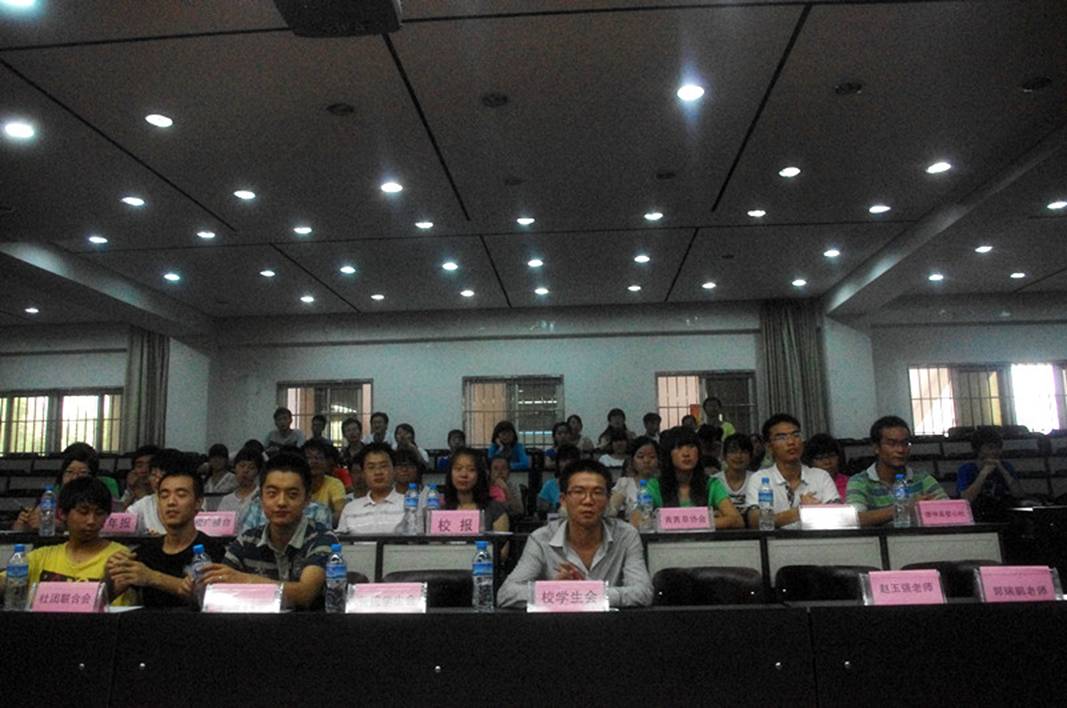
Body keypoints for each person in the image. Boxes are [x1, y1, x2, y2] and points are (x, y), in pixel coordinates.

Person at [497, 460, 653, 608]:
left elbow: (643, 592)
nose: (588, 501)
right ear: (563, 500)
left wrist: (585, 591)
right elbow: (506, 594)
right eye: (579, 492)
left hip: (610, 624)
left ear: (608, 499)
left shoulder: (626, 535)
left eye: (597, 492)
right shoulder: (541, 539)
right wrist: (555, 591)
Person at [201, 452, 338, 610]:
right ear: (261, 498)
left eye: (292, 495)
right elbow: (219, 588)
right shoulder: (247, 540)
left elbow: (305, 594)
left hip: (310, 624)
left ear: (307, 499)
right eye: (272, 494)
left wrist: (242, 579)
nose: (281, 502)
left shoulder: (322, 539)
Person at [107, 463, 226, 607]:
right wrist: (110, 573)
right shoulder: (146, 551)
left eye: (181, 495)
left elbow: (211, 599)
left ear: (198, 502)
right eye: (164, 496)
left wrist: (152, 577)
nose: (171, 502)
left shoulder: (213, 550)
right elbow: (105, 598)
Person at [1, 477, 134, 606]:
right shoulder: (42, 557)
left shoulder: (119, 556)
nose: (91, 521)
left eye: (99, 513)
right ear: (62, 514)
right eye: (83, 512)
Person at [846, 415, 948, 527]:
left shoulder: (922, 479)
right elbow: (855, 519)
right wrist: (905, 508)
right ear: (876, 448)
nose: (900, 450)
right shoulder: (859, 482)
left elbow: (948, 510)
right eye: (892, 444)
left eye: (905, 444)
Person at [744, 414, 840, 529]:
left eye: (796, 435)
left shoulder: (821, 476)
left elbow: (838, 516)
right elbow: (754, 521)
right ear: (769, 446)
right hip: (773, 540)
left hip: (815, 539)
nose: (791, 442)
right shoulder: (759, 479)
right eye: (782, 437)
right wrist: (800, 511)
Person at [648, 428, 743, 529]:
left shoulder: (711, 484)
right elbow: (639, 521)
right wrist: (708, 519)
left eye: (691, 446)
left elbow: (737, 520)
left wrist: (680, 523)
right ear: (668, 454)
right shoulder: (655, 486)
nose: (686, 454)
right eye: (679, 447)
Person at [13, 445, 119, 532]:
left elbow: (110, 524)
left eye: (82, 473)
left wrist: (60, 526)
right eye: (69, 472)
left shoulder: (102, 493)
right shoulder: (53, 494)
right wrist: (25, 524)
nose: (75, 478)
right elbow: (34, 523)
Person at [336, 443, 405, 534]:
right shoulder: (351, 508)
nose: (378, 472)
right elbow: (342, 541)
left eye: (383, 466)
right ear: (363, 473)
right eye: (371, 467)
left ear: (394, 470)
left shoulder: (408, 505)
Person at [442, 448, 510, 533]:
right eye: (458, 469)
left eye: (471, 469)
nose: (463, 474)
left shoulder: (495, 510)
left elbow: (501, 541)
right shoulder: (441, 509)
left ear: (480, 474)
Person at [130, 448, 191, 535]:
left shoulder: (192, 501)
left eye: (162, 476)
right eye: (153, 475)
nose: (157, 481)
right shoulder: (143, 504)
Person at [957, 428, 1023, 504]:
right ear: (978, 450)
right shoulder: (966, 469)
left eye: (998, 447)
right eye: (990, 447)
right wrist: (983, 473)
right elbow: (966, 499)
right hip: (975, 510)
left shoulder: (1006, 466)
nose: (996, 451)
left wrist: (1003, 470)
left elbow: (1019, 494)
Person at [608, 436, 660, 521]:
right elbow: (611, 511)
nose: (646, 461)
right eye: (641, 457)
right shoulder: (625, 483)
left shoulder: (665, 483)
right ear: (632, 461)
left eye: (652, 457)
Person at [302, 439, 347, 527]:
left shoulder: (335, 484)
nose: (314, 462)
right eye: (309, 458)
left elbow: (341, 513)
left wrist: (317, 525)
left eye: (318, 458)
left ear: (326, 462)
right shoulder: (296, 484)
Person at [802, 433, 851, 501]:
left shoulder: (851, 483)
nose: (827, 462)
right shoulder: (804, 484)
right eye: (820, 458)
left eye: (832, 456)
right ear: (810, 462)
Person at [713, 433, 753, 512]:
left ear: (750, 456)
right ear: (724, 456)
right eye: (733, 452)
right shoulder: (714, 481)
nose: (738, 456)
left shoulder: (757, 479)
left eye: (744, 452)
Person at [217, 446, 261, 517]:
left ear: (257, 472)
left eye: (251, 467)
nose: (245, 470)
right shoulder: (226, 500)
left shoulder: (262, 496)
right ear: (234, 468)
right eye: (242, 466)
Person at [538, 444, 581, 514]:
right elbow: (542, 513)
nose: (567, 463)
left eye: (571, 460)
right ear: (558, 463)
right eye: (564, 460)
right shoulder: (549, 486)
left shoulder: (587, 486)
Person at [121, 444, 160, 508]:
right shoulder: (131, 489)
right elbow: (120, 512)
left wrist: (139, 490)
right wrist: (132, 492)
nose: (144, 470)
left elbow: (151, 512)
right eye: (139, 466)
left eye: (149, 466)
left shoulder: (163, 494)